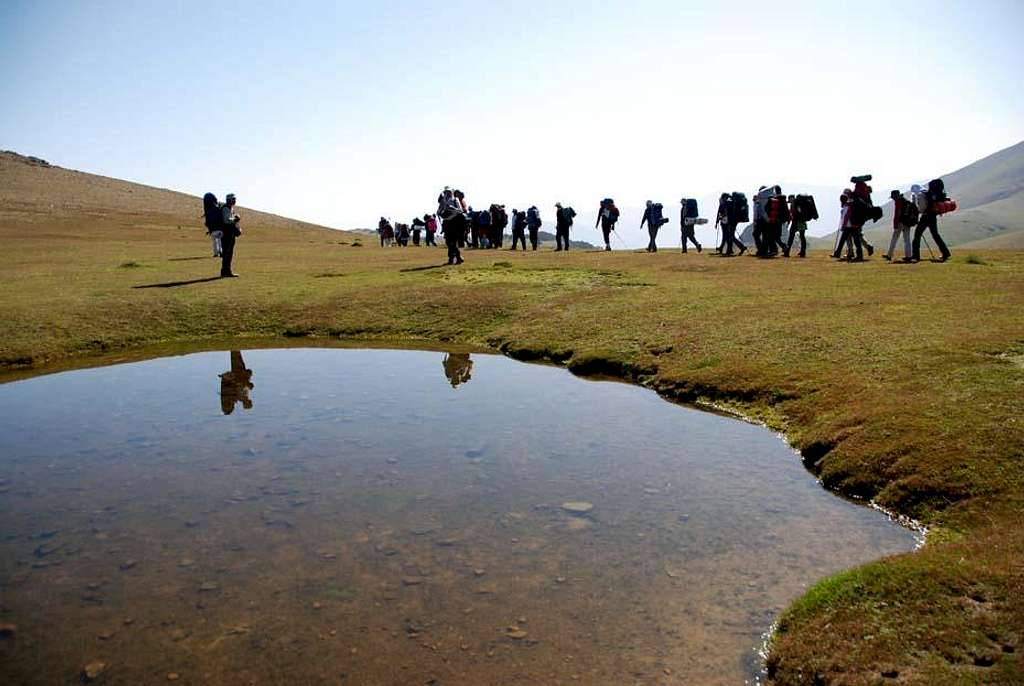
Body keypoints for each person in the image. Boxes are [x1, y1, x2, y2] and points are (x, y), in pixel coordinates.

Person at [911, 180, 952, 263]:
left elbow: (922, 208)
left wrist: (917, 210)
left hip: (926, 216)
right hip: (933, 216)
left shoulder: (921, 195)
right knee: (935, 235)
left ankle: (916, 255)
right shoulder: (928, 193)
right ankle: (945, 253)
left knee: (917, 235)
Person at [219, 350, 253, 415]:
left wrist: (247, 383)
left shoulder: (241, 397)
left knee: (236, 360)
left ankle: (234, 349)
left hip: (236, 376)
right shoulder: (243, 396)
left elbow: (239, 385)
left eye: (249, 402)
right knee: (237, 359)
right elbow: (242, 385)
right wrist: (248, 382)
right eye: (249, 401)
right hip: (238, 375)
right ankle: (234, 349)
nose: (250, 400)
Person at [884, 190, 913, 262]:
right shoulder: (905, 200)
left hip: (900, 223)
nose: (893, 199)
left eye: (893, 197)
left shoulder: (898, 202)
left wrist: (895, 224)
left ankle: (889, 255)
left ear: (895, 196)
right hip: (907, 222)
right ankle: (908, 256)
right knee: (907, 240)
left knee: (894, 239)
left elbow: (898, 213)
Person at [438, 188, 466, 265]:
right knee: (448, 241)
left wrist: (452, 209)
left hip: (454, 222)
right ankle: (457, 257)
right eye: (446, 192)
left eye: (449, 192)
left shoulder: (455, 200)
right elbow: (439, 211)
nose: (447, 194)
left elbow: (460, 210)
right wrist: (442, 213)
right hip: (447, 222)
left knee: (453, 241)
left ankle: (453, 258)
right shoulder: (443, 201)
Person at [220, 193, 241, 277]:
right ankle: (226, 271)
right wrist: (236, 218)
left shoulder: (230, 208)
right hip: (226, 234)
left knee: (229, 253)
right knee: (227, 253)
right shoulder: (226, 208)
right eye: (233, 199)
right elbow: (227, 220)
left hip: (230, 233)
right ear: (228, 200)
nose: (234, 201)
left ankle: (226, 271)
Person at [203, 192, 223, 257]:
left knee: (214, 241)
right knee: (219, 240)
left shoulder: (208, 211)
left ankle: (216, 253)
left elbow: (207, 222)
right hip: (219, 228)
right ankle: (220, 251)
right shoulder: (218, 209)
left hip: (212, 229)